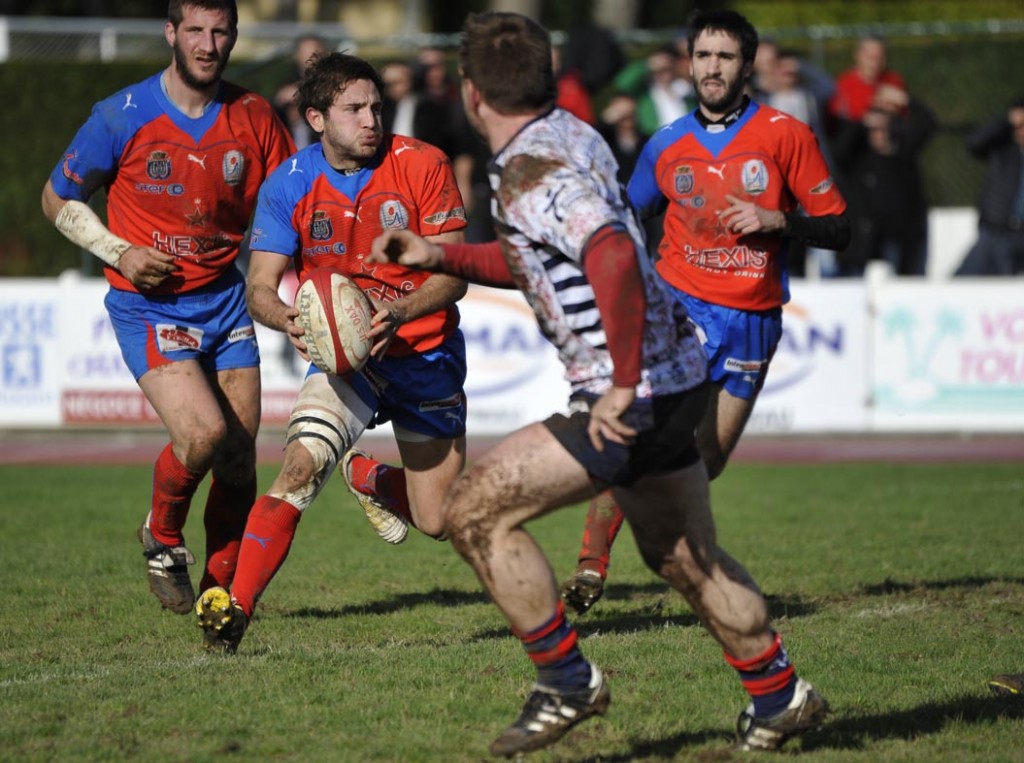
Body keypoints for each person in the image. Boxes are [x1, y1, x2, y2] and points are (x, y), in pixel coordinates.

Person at [369, 11, 829, 757]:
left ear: (471, 95)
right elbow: (539, 254)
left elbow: (611, 250)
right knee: (683, 554)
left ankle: (565, 678)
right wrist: (439, 254)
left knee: (474, 511)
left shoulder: (527, 170)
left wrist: (617, 385)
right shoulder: (570, 134)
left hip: (634, 391)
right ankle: (778, 695)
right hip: (675, 379)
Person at [560, 9, 849, 616]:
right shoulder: (666, 145)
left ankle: (669, 551)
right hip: (680, 306)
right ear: (689, 63)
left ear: (747, 66)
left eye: (725, 57)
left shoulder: (786, 135)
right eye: (703, 56)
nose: (712, 67)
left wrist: (780, 221)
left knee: (704, 460)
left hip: (753, 318)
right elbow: (625, 220)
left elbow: (841, 228)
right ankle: (593, 562)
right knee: (641, 427)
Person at [194, 51, 469, 654]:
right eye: (354, 109)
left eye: (376, 105)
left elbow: (454, 273)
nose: (372, 118)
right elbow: (259, 288)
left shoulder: (422, 164)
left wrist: (396, 312)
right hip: (350, 362)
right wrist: (290, 320)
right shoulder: (289, 183)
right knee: (298, 468)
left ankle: (368, 475)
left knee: (440, 521)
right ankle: (234, 610)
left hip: (424, 350)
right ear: (317, 118)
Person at [40, 0, 295, 616]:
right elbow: (55, 198)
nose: (209, 44)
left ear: (233, 36)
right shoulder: (120, 116)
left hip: (225, 300)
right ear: (171, 34)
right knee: (203, 434)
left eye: (221, 31)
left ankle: (219, 593)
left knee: (238, 458)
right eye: (196, 31)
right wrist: (118, 251)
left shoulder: (254, 116)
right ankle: (161, 535)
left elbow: (292, 200)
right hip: (149, 306)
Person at [831, 82, 936, 276]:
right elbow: (839, 151)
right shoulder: (857, 156)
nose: (879, 134)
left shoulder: (903, 151)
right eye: (874, 129)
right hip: (861, 244)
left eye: (884, 127)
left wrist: (904, 100)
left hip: (898, 239)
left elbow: (926, 123)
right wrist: (863, 122)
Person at [954, 98, 1024, 276]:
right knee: (974, 282)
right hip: (999, 230)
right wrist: (1006, 121)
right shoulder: (1003, 147)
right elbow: (974, 142)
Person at [274, 34, 330, 150]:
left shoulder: (331, 81)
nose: (311, 57)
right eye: (306, 52)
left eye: (316, 52)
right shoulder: (287, 81)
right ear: (298, 55)